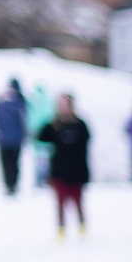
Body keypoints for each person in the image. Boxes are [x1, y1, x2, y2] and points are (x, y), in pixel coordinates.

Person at [38, 93, 91, 237]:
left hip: (76, 170)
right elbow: (40, 136)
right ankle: (61, 231)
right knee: (60, 202)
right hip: (59, 171)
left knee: (78, 201)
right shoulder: (54, 125)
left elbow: (86, 144)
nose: (64, 107)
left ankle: (82, 228)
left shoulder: (80, 124)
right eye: (61, 104)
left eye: (66, 104)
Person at [0, 79, 26, 197]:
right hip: (7, 139)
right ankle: (9, 185)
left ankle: (12, 185)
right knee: (8, 163)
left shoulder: (19, 102)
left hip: (13, 139)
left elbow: (23, 120)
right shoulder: (7, 101)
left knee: (12, 163)